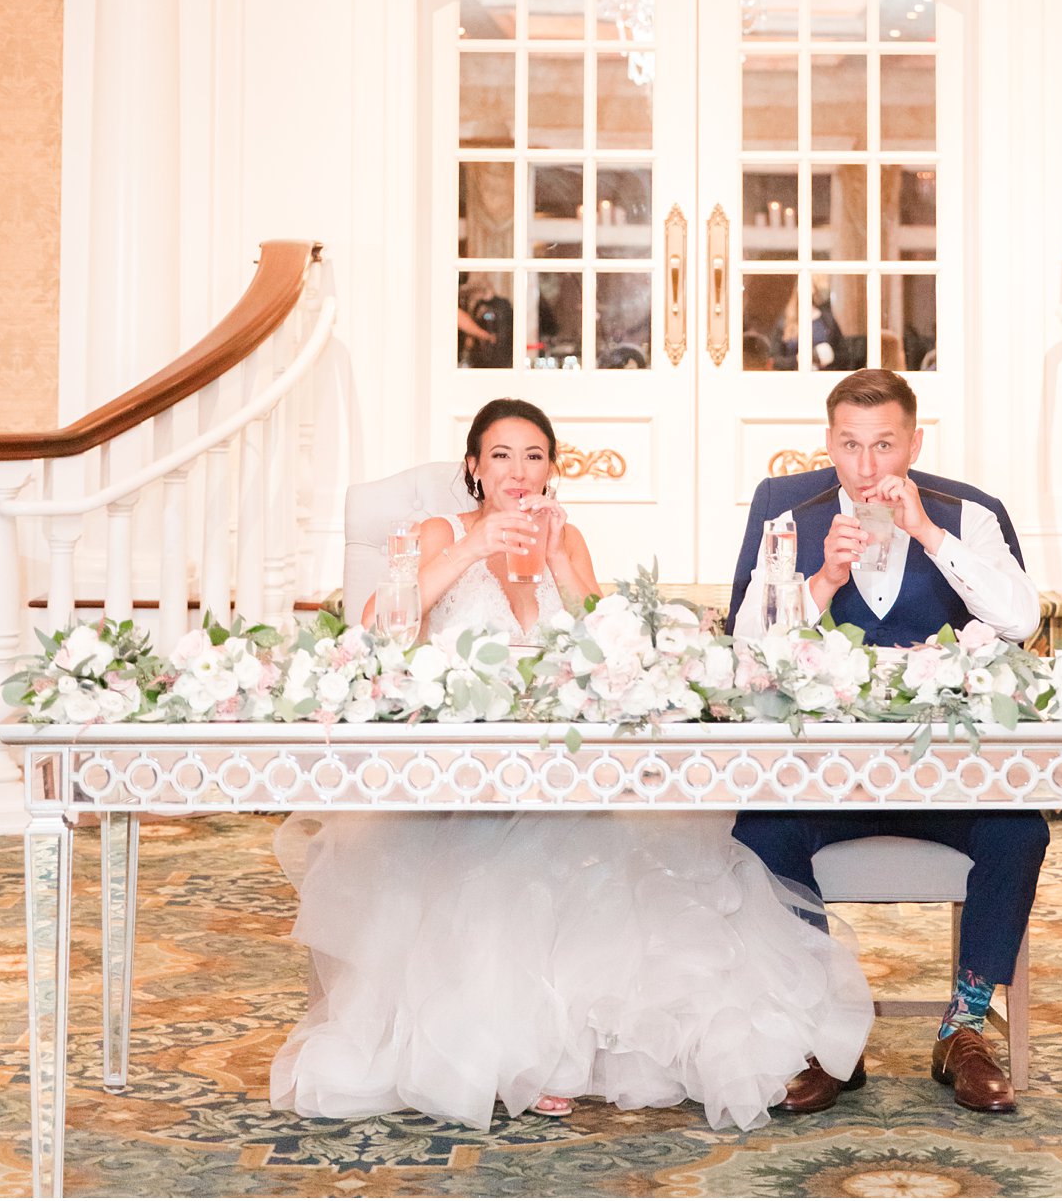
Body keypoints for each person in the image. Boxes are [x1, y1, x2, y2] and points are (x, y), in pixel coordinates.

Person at [272, 397, 871, 1133]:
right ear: (473, 467)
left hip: (562, 770)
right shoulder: (437, 532)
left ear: (551, 469)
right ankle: (512, 1055)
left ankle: (576, 1042)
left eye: (534, 456)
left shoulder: (569, 537)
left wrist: (556, 560)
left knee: (608, 863)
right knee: (500, 870)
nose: (518, 472)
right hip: (461, 780)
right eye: (500, 455)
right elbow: (376, 630)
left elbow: (617, 648)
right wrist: (473, 547)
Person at [728, 368, 1046, 1117]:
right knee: (758, 831)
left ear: (913, 441)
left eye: (884, 445)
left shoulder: (969, 515)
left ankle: (964, 1029)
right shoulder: (785, 510)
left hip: (946, 777)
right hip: (826, 776)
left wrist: (930, 536)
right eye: (851, 445)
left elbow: (1021, 620)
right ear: (828, 443)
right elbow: (746, 646)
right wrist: (824, 579)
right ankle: (824, 1032)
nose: (868, 467)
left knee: (1018, 830)